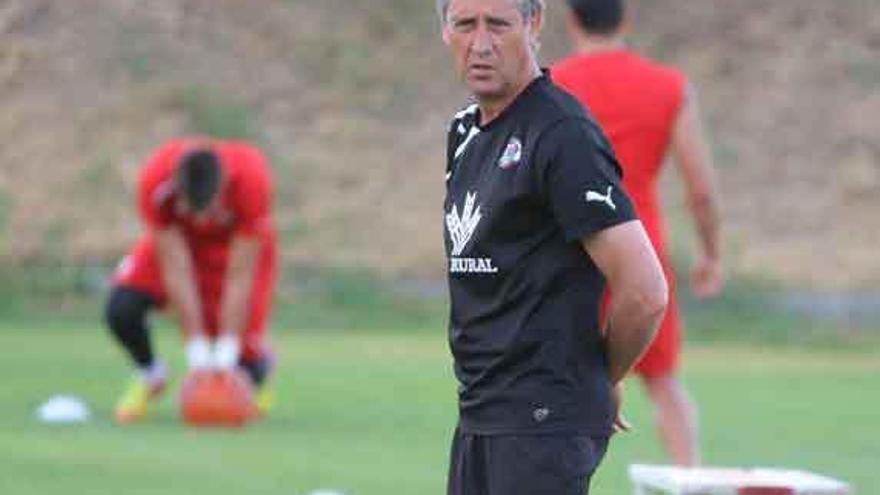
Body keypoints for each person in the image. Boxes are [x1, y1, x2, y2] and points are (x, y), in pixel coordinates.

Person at [437, 0, 668, 493]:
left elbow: (645, 292)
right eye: (465, 25)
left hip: (541, 425)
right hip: (481, 415)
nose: (480, 44)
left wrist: (598, 376)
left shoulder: (562, 134)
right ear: (445, 31)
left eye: (498, 24)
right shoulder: (463, 132)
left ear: (534, 23)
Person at [552, 0, 725, 466]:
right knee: (666, 384)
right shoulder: (669, 87)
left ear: (570, 20)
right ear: (625, 19)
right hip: (639, 250)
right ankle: (690, 481)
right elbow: (702, 191)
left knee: (548, 385)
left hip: (568, 253)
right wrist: (711, 255)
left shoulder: (551, 87)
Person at [105, 137, 278, 423]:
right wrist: (197, 353)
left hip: (232, 251)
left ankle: (258, 366)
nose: (200, 220)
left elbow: (240, 278)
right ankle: (150, 376)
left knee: (244, 355)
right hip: (181, 245)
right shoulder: (156, 180)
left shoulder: (252, 178)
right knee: (122, 309)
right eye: (190, 210)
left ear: (222, 188)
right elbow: (176, 269)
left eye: (208, 211)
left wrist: (224, 356)